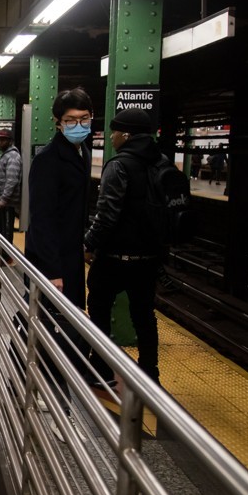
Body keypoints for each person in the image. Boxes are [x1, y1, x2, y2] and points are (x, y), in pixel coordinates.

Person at [23, 88, 95, 439]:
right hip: (52, 264)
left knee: (44, 328)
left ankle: (21, 376)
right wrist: (52, 272)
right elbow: (43, 217)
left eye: (83, 119)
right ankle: (60, 412)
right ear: (57, 122)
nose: (79, 125)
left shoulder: (81, 151)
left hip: (68, 258)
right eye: (71, 121)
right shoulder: (49, 160)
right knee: (60, 336)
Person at [84, 109, 164, 385]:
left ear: (126, 135)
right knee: (144, 314)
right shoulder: (161, 162)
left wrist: (90, 244)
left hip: (116, 256)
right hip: (150, 256)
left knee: (98, 306)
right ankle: (149, 374)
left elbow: (107, 214)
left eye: (114, 131)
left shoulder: (119, 165)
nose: (111, 136)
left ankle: (102, 368)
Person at [0, 127, 22, 244]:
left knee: (5, 234)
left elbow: (12, 180)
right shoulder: (5, 155)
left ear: (10, 141)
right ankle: (1, 257)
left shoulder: (12, 156)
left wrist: (3, 200)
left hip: (5, 204)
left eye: (3, 140)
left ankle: (6, 258)